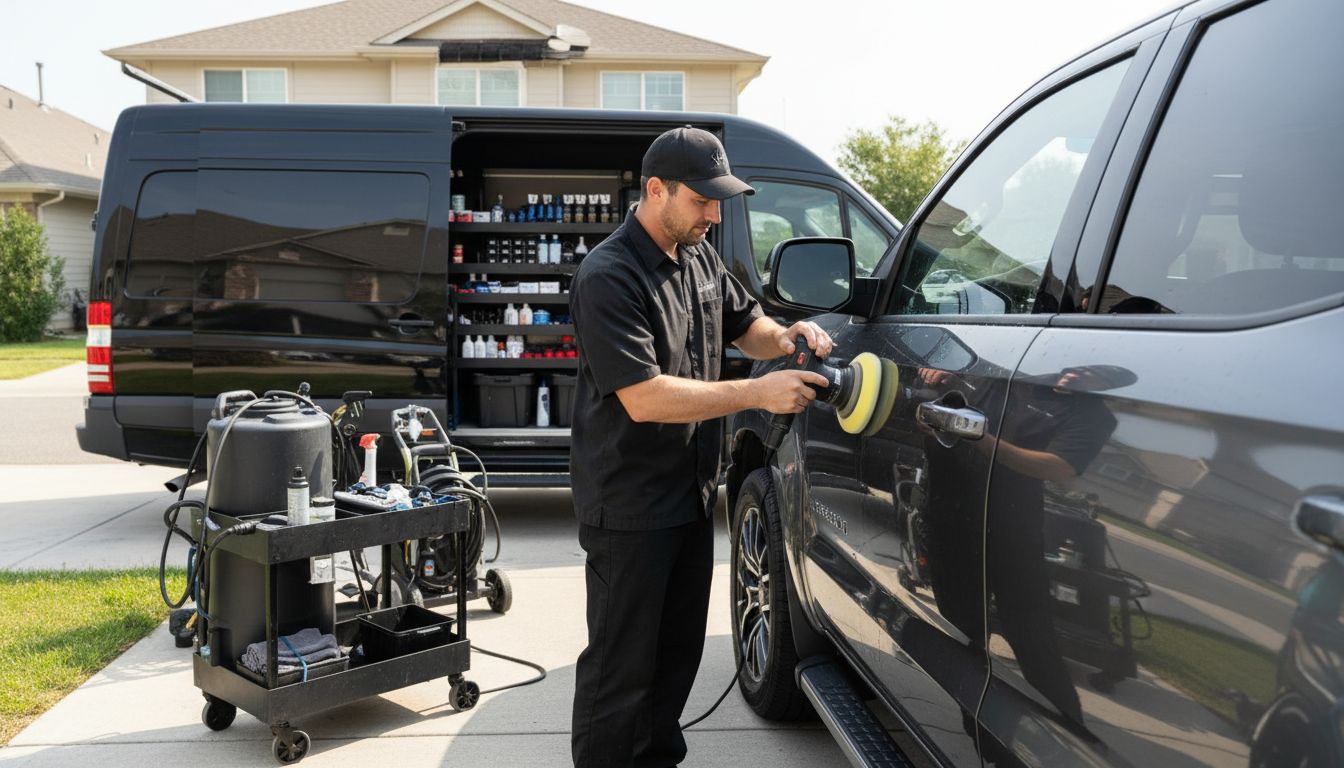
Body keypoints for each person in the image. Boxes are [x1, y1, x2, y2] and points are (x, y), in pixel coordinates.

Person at [568, 125, 832, 768]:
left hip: (690, 493)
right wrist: (758, 393)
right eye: (702, 200)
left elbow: (749, 327)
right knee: (622, 669)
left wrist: (786, 335)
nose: (715, 214)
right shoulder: (609, 275)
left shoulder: (700, 257)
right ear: (655, 190)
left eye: (720, 202)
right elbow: (645, 397)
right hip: (628, 503)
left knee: (675, 656)